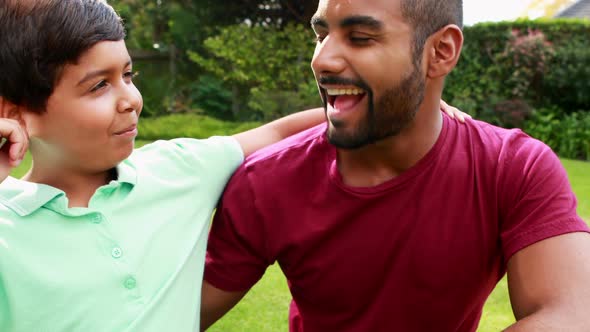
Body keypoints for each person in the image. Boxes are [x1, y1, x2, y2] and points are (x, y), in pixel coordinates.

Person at [0, 1, 468, 331]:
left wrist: (394, 107)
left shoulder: (177, 170)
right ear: (17, 112)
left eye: (128, 75)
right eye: (98, 86)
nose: (131, 100)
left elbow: (275, 135)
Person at [202, 0, 590, 331]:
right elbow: (169, 315)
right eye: (321, 35)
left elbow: (569, 313)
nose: (322, 59)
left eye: (360, 38)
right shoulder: (267, 181)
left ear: (441, 52)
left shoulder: (512, 167)